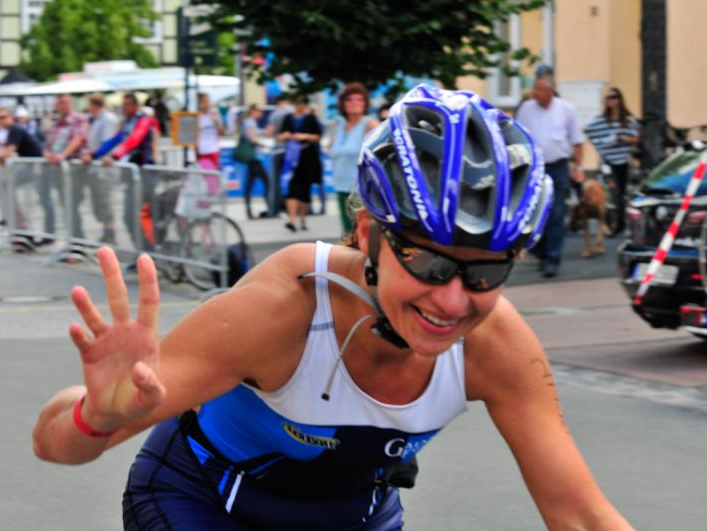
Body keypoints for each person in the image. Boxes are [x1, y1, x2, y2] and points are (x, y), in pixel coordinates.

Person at [31, 84, 633, 530]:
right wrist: (97, 418)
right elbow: (53, 444)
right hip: (203, 502)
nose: (452, 300)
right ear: (368, 233)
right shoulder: (284, 308)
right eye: (428, 263)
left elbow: (582, 516)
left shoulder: (495, 343)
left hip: (352, 516)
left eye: (486, 272)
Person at [515, 75, 586, 278]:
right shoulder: (526, 108)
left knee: (556, 213)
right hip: (534, 167)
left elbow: (577, 141)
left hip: (558, 167)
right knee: (533, 211)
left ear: (550, 90)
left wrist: (577, 167)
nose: (534, 93)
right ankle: (541, 252)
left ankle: (552, 259)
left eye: (539, 89)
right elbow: (516, 136)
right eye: (534, 88)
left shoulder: (566, 109)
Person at [92, 94, 157, 248]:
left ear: (135, 105)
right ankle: (143, 250)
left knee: (141, 216)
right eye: (123, 104)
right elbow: (114, 140)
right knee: (129, 217)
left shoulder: (143, 121)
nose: (124, 107)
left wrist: (114, 156)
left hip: (146, 174)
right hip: (133, 177)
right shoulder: (127, 123)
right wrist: (93, 154)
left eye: (127, 104)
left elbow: (133, 140)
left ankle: (149, 251)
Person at [583, 87, 639, 236]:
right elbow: (587, 131)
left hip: (622, 161)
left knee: (621, 193)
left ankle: (619, 223)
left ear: (619, 99)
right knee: (609, 192)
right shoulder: (600, 120)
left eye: (614, 97)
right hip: (607, 161)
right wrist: (601, 143)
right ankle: (607, 223)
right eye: (608, 98)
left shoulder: (628, 120)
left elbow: (636, 138)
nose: (611, 100)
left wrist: (622, 139)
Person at [330, 83, 379, 235]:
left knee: (360, 235)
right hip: (341, 187)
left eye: (359, 99)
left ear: (365, 103)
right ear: (343, 104)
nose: (354, 103)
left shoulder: (370, 124)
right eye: (350, 99)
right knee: (348, 234)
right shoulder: (339, 125)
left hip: (361, 190)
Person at [43, 94, 90, 245]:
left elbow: (78, 139)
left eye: (65, 103)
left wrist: (62, 156)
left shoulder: (79, 119)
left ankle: (78, 242)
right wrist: (49, 155)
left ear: (70, 104)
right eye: (60, 103)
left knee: (72, 205)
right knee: (66, 206)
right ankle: (74, 242)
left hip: (75, 171)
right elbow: (48, 145)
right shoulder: (57, 123)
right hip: (60, 172)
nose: (62, 106)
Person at [77, 93, 119, 244]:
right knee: (99, 203)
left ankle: (110, 233)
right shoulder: (94, 119)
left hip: (103, 169)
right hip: (95, 169)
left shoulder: (107, 119)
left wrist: (92, 155)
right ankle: (107, 232)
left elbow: (107, 143)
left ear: (94, 104)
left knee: (104, 202)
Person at [0, 108, 44, 245]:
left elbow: (7, 153)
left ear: (11, 117)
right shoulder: (11, 132)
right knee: (8, 189)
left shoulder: (16, 129)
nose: (1, 120)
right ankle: (19, 227)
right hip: (30, 169)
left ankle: (23, 229)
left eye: (3, 117)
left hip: (37, 169)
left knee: (38, 202)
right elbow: (4, 155)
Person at [278, 95, 322, 232]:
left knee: (304, 189)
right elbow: (280, 136)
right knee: (290, 188)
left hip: (306, 158)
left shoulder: (311, 118)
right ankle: (292, 220)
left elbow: (317, 136)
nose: (299, 106)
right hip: (291, 157)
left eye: (302, 104)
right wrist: (285, 136)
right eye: (297, 104)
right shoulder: (288, 118)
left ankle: (303, 219)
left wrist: (304, 136)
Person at [242, 104, 270, 219]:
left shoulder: (250, 122)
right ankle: (270, 207)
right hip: (255, 158)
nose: (261, 113)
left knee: (250, 184)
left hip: (253, 158)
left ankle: (249, 211)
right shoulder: (250, 122)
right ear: (253, 111)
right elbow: (252, 139)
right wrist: (263, 145)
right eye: (259, 110)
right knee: (267, 182)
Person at [197, 93, 224, 170]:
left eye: (208, 101)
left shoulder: (214, 113)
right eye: (204, 101)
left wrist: (216, 121)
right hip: (201, 150)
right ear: (199, 103)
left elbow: (221, 131)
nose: (206, 103)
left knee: (213, 174)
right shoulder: (197, 115)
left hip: (213, 149)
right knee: (204, 174)